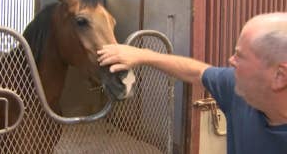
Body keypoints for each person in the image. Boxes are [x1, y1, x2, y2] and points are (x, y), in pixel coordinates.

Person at [97, 12, 287, 154]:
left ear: (280, 76)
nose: (230, 60)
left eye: (240, 56)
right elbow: (196, 72)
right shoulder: (236, 87)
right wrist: (144, 55)